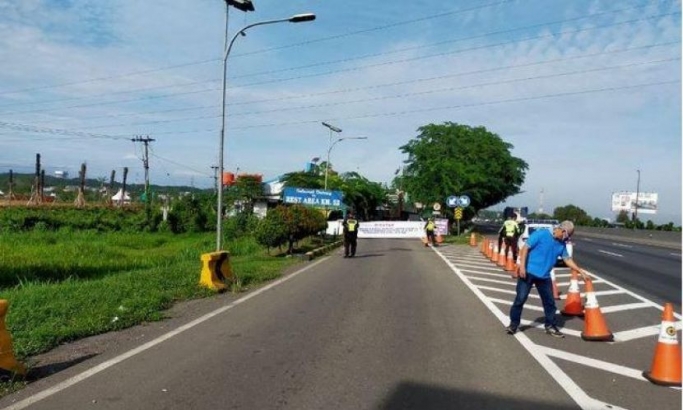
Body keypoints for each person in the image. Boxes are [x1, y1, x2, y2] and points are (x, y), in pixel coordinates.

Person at [505, 220, 590, 338]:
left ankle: (550, 326)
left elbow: (567, 259)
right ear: (562, 230)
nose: (567, 238)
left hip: (544, 276)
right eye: (567, 235)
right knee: (520, 299)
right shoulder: (541, 234)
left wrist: (580, 271)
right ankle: (513, 325)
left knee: (550, 303)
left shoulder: (561, 244)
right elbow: (525, 248)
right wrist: (522, 267)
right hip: (528, 273)